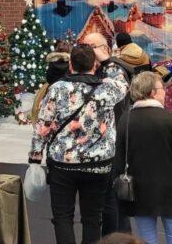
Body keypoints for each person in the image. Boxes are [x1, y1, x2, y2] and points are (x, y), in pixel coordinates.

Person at [29, 44, 128, 244]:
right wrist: (107, 61)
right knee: (93, 219)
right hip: (98, 163)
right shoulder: (107, 89)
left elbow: (43, 127)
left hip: (62, 163)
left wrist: (35, 158)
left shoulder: (57, 89)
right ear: (94, 65)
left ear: (71, 65)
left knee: (62, 217)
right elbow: (123, 81)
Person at [114, 72, 172, 244]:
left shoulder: (126, 119)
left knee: (146, 239)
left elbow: (119, 160)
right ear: (152, 92)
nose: (165, 92)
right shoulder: (171, 119)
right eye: (162, 88)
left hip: (139, 191)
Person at [82, 32, 130, 235]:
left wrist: (107, 61)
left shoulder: (114, 70)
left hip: (112, 141)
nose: (87, 50)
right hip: (93, 146)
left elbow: (119, 88)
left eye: (92, 46)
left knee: (112, 198)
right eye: (84, 46)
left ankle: (116, 237)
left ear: (104, 48)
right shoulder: (90, 71)